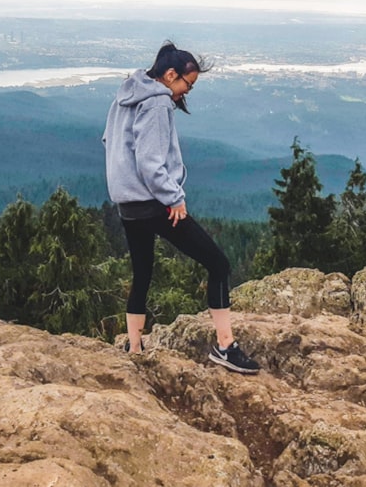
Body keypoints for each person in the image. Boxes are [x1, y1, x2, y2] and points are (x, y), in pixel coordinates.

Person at [102, 42, 260, 374]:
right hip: (153, 203)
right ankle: (225, 346)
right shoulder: (156, 103)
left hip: (127, 204)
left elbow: (110, 142)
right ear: (170, 75)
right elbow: (150, 162)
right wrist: (174, 197)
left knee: (142, 273)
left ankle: (134, 349)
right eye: (186, 85)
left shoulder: (124, 95)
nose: (184, 93)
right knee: (218, 264)